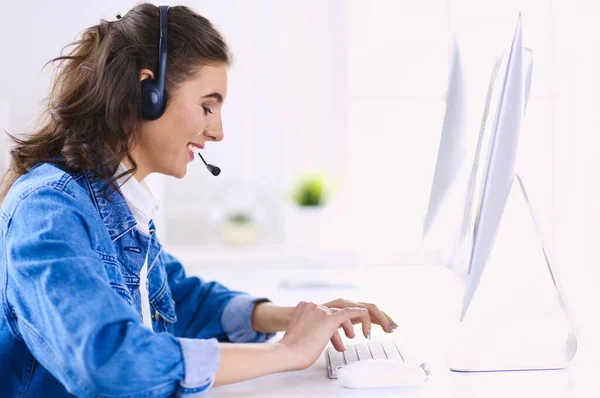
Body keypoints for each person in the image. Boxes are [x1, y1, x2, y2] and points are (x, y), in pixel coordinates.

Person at [0, 4, 397, 397]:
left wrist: (298, 318)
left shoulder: (115, 204)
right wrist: (288, 351)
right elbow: (109, 360)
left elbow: (184, 302)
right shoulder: (48, 210)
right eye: (208, 106)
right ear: (147, 92)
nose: (218, 132)